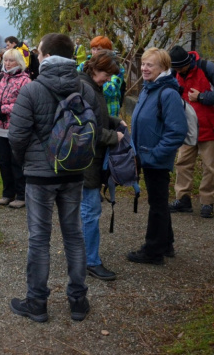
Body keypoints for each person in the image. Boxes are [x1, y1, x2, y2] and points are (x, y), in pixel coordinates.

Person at [8, 33, 102, 323]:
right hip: (74, 171)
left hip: (40, 176)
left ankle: (36, 303)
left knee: (39, 239)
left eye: (37, 51)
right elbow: (94, 127)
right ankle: (78, 301)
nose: (35, 55)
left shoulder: (32, 90)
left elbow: (17, 136)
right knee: (74, 236)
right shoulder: (84, 88)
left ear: (46, 55)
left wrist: (28, 161)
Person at [128, 48, 188, 265]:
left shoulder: (167, 93)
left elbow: (177, 131)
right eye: (143, 64)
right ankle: (167, 243)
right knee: (159, 202)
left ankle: (153, 251)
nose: (144, 68)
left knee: (157, 205)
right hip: (146, 156)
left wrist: (155, 154)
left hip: (155, 158)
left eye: (150, 65)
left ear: (163, 68)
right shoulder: (149, 88)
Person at [168, 46, 214, 219]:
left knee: (209, 167)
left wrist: (202, 97)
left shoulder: (209, 69)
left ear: (187, 63)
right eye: (174, 68)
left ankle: (207, 202)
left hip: (209, 127)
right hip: (187, 128)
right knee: (183, 164)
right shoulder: (174, 72)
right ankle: (183, 199)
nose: (177, 71)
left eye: (179, 68)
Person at [78, 51, 124, 281]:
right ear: (95, 68)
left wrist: (116, 121)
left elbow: (97, 118)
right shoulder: (85, 88)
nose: (108, 79)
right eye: (106, 74)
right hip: (87, 161)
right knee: (90, 211)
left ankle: (83, 257)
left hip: (91, 160)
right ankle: (90, 261)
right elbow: (85, 129)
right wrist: (112, 136)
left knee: (87, 210)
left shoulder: (91, 87)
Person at [0, 48, 30, 208]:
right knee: (3, 161)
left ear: (18, 62)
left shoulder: (25, 80)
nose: (7, 63)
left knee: (16, 162)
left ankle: (21, 194)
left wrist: (3, 109)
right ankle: (7, 193)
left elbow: (23, 103)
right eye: (5, 60)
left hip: (15, 127)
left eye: (11, 60)